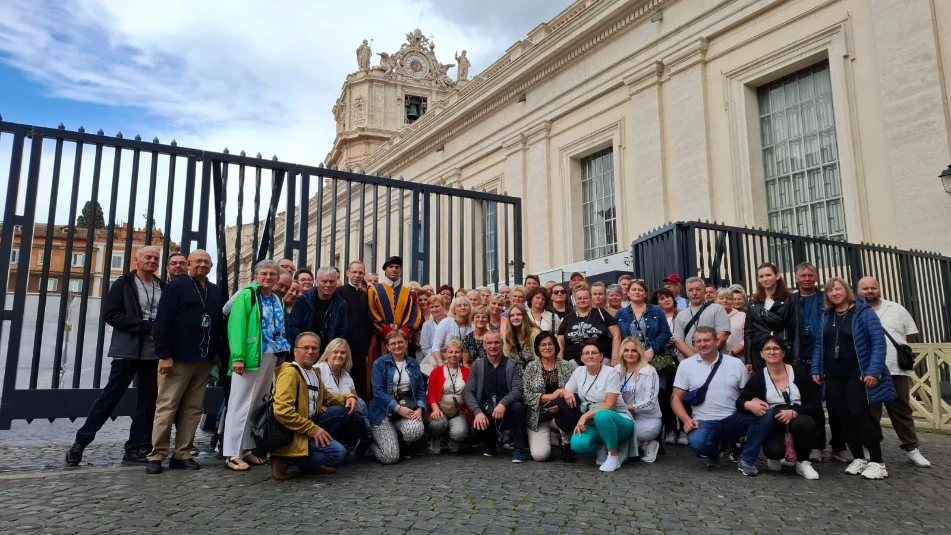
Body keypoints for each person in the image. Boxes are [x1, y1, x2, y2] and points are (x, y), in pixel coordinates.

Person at [66, 246, 166, 466]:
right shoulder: (123, 284)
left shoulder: (162, 286)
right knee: (110, 398)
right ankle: (80, 442)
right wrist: (145, 326)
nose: (152, 260)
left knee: (148, 402)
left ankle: (136, 447)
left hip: (153, 353)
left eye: (155, 258)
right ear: (136, 260)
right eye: (147, 257)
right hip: (126, 351)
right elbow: (111, 315)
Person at [146, 250, 225, 474]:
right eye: (197, 261)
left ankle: (182, 453)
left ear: (211, 266)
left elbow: (218, 325)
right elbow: (162, 321)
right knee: (167, 406)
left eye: (206, 262)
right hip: (177, 358)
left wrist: (217, 355)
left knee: (193, 408)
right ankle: (157, 454)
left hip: (203, 359)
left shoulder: (215, 291)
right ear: (189, 264)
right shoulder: (176, 286)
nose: (202, 265)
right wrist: (164, 355)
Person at [810, 277, 896, 480]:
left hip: (857, 374)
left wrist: (873, 371)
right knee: (842, 418)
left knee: (861, 417)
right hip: (833, 374)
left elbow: (878, 343)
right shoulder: (827, 314)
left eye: (838, 289)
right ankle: (859, 457)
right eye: (830, 290)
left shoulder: (863, 312)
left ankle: (877, 462)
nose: (834, 293)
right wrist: (815, 368)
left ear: (847, 290)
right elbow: (820, 345)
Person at [671, 326, 772, 477]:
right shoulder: (686, 365)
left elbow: (746, 395)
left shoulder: (735, 364)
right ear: (694, 343)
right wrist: (686, 420)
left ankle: (747, 459)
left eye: (706, 340)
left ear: (717, 341)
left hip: (733, 418)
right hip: (704, 421)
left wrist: (755, 401)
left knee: (766, 414)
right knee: (698, 443)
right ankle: (714, 452)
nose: (702, 344)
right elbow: (675, 398)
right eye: (698, 341)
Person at [224, 259, 290, 472]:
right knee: (240, 403)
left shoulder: (276, 299)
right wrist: (238, 356)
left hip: (270, 354)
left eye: (272, 274)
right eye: (264, 274)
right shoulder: (247, 295)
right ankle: (232, 453)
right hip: (250, 356)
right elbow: (237, 327)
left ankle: (246, 448)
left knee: (257, 403)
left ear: (277, 277)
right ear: (256, 276)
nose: (268, 277)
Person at [857, 276, 931, 467]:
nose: (869, 291)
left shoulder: (896, 309)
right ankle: (871, 446)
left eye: (873, 287)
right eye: (865, 288)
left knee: (901, 410)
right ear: (858, 291)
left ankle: (912, 448)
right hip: (867, 370)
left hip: (895, 368)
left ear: (879, 289)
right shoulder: (855, 311)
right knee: (870, 412)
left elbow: (909, 334)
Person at [737, 336, 820, 479]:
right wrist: (749, 404)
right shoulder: (758, 378)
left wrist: (795, 412)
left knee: (804, 424)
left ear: (783, 352)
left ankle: (803, 462)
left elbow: (815, 403)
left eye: (776, 348)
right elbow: (740, 402)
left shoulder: (798, 372)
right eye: (767, 349)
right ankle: (780, 454)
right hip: (775, 424)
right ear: (761, 354)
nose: (772, 352)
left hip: (799, 417)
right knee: (774, 451)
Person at [269, 332, 349, 480]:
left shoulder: (314, 373)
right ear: (295, 351)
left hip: (310, 421)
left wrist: (349, 397)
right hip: (292, 431)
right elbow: (282, 411)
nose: (310, 351)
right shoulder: (290, 373)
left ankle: (310, 461)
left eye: (314, 348)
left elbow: (329, 399)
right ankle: (284, 458)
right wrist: (313, 430)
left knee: (341, 411)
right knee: (338, 454)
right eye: (305, 348)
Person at [559, 340, 635, 472]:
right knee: (577, 444)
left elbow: (610, 405)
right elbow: (567, 390)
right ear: (582, 358)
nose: (590, 356)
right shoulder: (579, 371)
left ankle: (613, 456)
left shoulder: (611, 373)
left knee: (602, 414)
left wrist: (584, 416)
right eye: (586, 353)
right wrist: (566, 392)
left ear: (601, 356)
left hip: (618, 419)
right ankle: (601, 447)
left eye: (594, 353)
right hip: (594, 422)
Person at [789, 263, 832, 461]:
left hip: (823, 357)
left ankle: (825, 445)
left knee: (824, 404)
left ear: (816, 277)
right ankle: (803, 444)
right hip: (798, 357)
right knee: (803, 403)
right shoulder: (791, 299)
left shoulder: (825, 298)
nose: (806, 279)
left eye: (810, 275)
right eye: (803, 275)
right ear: (796, 278)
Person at [464, 331, 528, 462]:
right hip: (485, 409)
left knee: (518, 407)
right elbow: (469, 392)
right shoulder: (477, 365)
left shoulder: (512, 365)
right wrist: (477, 412)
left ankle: (519, 449)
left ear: (502, 344)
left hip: (507, 407)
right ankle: (490, 444)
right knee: (476, 428)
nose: (493, 346)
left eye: (496, 342)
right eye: (489, 343)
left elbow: (518, 390)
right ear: (484, 345)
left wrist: (503, 404)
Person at [367, 331, 427, 464]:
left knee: (415, 430)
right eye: (393, 343)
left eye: (400, 342)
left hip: (407, 406)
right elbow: (378, 392)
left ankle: (399, 440)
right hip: (383, 411)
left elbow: (420, 390)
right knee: (390, 458)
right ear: (388, 347)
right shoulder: (379, 364)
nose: (397, 346)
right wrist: (398, 408)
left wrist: (420, 408)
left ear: (406, 343)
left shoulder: (414, 363)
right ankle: (369, 443)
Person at [523, 332, 575, 462]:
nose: (547, 347)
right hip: (538, 416)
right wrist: (552, 396)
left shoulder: (567, 366)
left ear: (556, 346)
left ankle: (565, 442)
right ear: (538, 348)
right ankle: (551, 436)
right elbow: (525, 395)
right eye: (543, 345)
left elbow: (574, 391)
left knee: (569, 414)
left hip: (562, 413)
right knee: (540, 456)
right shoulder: (531, 367)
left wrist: (560, 404)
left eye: (550, 344)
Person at [315, 338, 370, 450]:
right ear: (328, 354)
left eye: (343, 352)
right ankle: (367, 434)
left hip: (344, 417)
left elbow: (355, 397)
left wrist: (353, 400)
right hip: (322, 416)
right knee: (344, 410)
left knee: (359, 402)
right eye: (335, 352)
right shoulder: (318, 369)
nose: (339, 355)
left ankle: (365, 434)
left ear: (347, 356)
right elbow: (307, 395)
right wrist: (317, 405)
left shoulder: (346, 375)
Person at [744, 262, 800, 372]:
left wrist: (796, 361)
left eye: (768, 275)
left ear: (777, 276)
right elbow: (748, 332)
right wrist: (748, 359)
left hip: (782, 351)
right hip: (759, 353)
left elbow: (796, 330)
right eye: (761, 276)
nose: (765, 279)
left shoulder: (789, 299)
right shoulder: (753, 302)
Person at [615, 337, 662, 462]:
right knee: (610, 427)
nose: (630, 354)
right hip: (625, 415)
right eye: (626, 350)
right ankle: (642, 444)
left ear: (640, 352)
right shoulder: (616, 370)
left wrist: (628, 408)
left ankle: (647, 443)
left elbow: (650, 403)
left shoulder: (649, 371)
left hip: (647, 419)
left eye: (634, 350)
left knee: (618, 431)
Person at [287, 267, 349, 352]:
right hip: (305, 350)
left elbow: (341, 331)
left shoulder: (341, 304)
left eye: (331, 281)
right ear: (316, 282)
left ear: (336, 282)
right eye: (324, 281)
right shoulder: (303, 301)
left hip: (328, 352)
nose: (328, 285)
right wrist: (304, 347)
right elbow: (294, 327)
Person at [558, 286, 620, 366]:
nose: (582, 300)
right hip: (574, 362)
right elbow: (560, 340)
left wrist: (615, 358)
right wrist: (560, 361)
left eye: (585, 298)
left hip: (602, 360)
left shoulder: (601, 313)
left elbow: (616, 334)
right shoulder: (569, 318)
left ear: (590, 299)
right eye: (579, 298)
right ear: (575, 300)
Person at [426, 340, 469, 454]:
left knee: (460, 433)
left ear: (461, 354)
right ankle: (436, 437)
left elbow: (470, 394)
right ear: (445, 353)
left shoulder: (467, 372)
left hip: (458, 410)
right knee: (437, 424)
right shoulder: (436, 372)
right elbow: (431, 394)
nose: (453, 355)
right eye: (450, 352)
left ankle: (453, 438)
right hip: (440, 408)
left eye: (457, 352)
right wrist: (435, 409)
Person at [337, 260, 371, 399]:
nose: (357, 275)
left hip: (360, 346)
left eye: (360, 273)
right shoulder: (339, 292)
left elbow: (366, 322)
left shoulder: (364, 295)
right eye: (354, 272)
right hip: (344, 342)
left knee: (359, 379)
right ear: (348, 273)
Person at [673, 277, 731, 358]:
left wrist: (706, 356)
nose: (694, 293)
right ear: (687, 293)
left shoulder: (717, 309)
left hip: (715, 360)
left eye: (698, 289)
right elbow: (678, 341)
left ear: (704, 291)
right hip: (689, 362)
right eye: (690, 290)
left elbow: (723, 334)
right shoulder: (681, 315)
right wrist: (695, 359)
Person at [615, 280, 672, 361]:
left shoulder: (657, 310)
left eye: (640, 290)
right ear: (628, 293)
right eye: (634, 289)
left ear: (645, 294)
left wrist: (652, 350)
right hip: (629, 357)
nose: (637, 292)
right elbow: (617, 337)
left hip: (653, 357)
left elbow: (665, 333)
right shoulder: (620, 314)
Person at [432, 297, 474, 366]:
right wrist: (441, 366)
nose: (463, 307)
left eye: (465, 305)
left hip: (463, 365)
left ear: (469, 309)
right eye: (459, 305)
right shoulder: (446, 322)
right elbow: (436, 347)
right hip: (444, 362)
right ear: (454, 310)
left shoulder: (472, 327)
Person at [503, 304, 540, 369]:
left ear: (524, 316)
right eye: (512, 315)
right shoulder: (507, 335)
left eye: (519, 314)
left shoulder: (534, 333)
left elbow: (538, 358)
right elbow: (507, 359)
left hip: (533, 369)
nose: (515, 318)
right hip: (515, 371)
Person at [419, 295, 448, 370]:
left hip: (452, 361)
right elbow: (425, 348)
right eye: (431, 307)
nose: (434, 309)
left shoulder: (452, 322)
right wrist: (440, 356)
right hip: (433, 364)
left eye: (437, 306)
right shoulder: (426, 325)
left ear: (443, 306)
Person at [717, 288, 745, 359]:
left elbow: (746, 337)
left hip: (737, 357)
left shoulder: (742, 316)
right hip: (714, 357)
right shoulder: (711, 316)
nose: (724, 301)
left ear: (732, 301)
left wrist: (733, 352)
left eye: (728, 298)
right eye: (721, 298)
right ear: (715, 300)